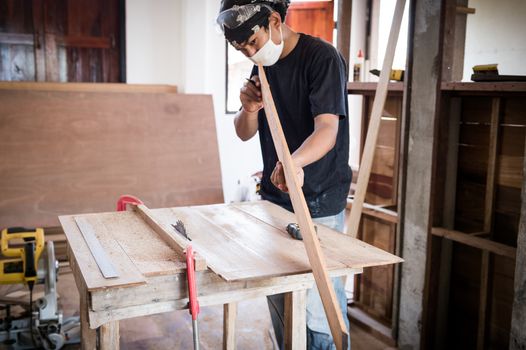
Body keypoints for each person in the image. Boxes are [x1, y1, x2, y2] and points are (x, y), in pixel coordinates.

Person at [217, 1, 352, 348]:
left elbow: (326, 130)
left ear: (275, 21)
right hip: (276, 199)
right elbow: (244, 132)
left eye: (252, 42)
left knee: (320, 307)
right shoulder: (262, 64)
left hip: (319, 199)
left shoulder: (321, 58)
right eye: (240, 48)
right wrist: (248, 109)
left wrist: (293, 162)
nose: (249, 52)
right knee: (280, 297)